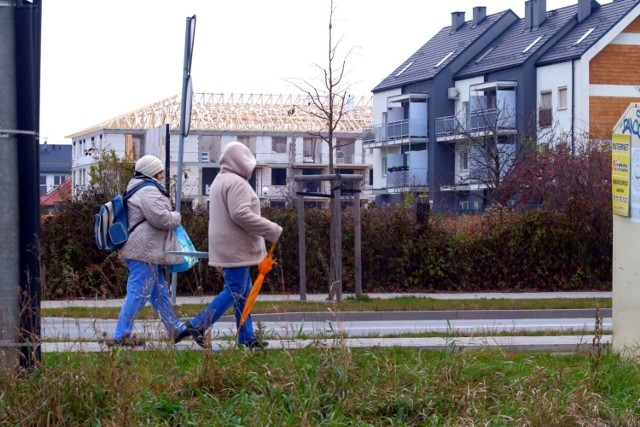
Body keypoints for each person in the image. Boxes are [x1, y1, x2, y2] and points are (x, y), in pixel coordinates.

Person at [181, 141, 282, 349]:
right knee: (235, 291)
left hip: (226, 243)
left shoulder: (220, 180)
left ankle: (246, 336)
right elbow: (241, 214)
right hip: (237, 245)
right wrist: (271, 230)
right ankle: (199, 325)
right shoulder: (237, 183)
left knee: (242, 293)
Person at [110, 155, 191, 346]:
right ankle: (121, 335)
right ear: (151, 172)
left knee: (159, 292)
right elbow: (161, 219)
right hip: (143, 251)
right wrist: (176, 216)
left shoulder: (138, 187)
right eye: (159, 172)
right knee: (138, 293)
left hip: (145, 250)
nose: (162, 175)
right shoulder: (147, 190)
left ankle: (175, 329)